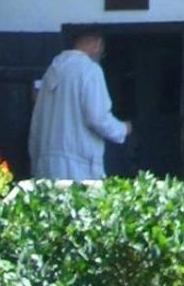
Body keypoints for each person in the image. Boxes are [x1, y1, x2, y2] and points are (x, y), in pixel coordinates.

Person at [29, 31, 130, 180]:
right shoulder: (90, 70)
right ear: (98, 45)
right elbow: (97, 118)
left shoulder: (50, 72)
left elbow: (36, 124)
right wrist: (123, 129)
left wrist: (34, 162)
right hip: (78, 168)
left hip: (46, 166)